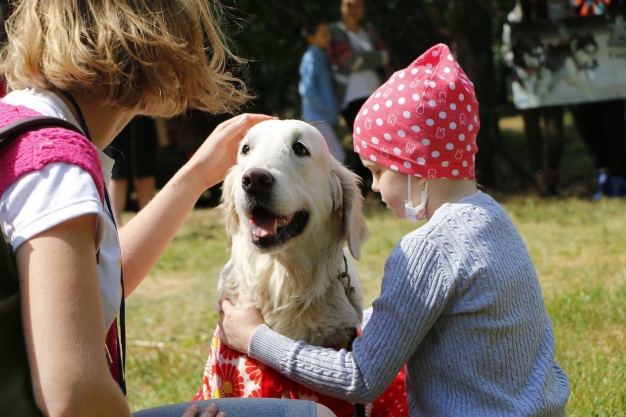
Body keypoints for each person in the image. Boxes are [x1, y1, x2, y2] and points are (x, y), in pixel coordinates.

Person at [0, 1, 337, 416]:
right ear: (149, 45)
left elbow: (87, 284)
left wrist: (196, 175)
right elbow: (74, 393)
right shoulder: (55, 161)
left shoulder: (19, 125)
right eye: (187, 35)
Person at [218, 44, 571, 416]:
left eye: (377, 171)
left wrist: (256, 338)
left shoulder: (427, 250)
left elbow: (362, 380)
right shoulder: (496, 220)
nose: (372, 187)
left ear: (415, 164)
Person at [501, 0, 568, 197]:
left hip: (553, 85)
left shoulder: (555, 14)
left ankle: (552, 177)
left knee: (556, 137)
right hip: (526, 88)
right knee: (533, 137)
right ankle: (542, 185)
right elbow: (506, 53)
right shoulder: (513, 19)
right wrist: (521, 64)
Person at [328, 0, 390, 192]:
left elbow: (385, 57)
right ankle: (357, 190)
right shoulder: (334, 31)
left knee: (381, 143)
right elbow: (350, 60)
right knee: (362, 144)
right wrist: (372, 58)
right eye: (349, 5)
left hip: (377, 94)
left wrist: (364, 58)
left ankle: (380, 189)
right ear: (341, 7)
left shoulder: (368, 30)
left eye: (358, 5)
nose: (353, 10)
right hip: (351, 97)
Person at [568, 0, 626, 199]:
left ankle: (619, 176)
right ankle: (603, 174)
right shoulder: (575, 5)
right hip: (584, 82)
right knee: (590, 126)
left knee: (614, 126)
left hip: (614, 80)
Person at [299, 19, 346, 163]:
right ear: (311, 38)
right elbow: (306, 89)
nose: (329, 37)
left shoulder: (319, 55)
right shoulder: (312, 57)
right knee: (337, 157)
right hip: (317, 117)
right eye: (324, 34)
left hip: (319, 116)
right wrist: (324, 108)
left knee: (330, 159)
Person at [104, 115, 162, 225]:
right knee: (117, 172)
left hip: (144, 117)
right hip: (115, 116)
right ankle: (115, 224)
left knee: (145, 171)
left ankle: (149, 222)